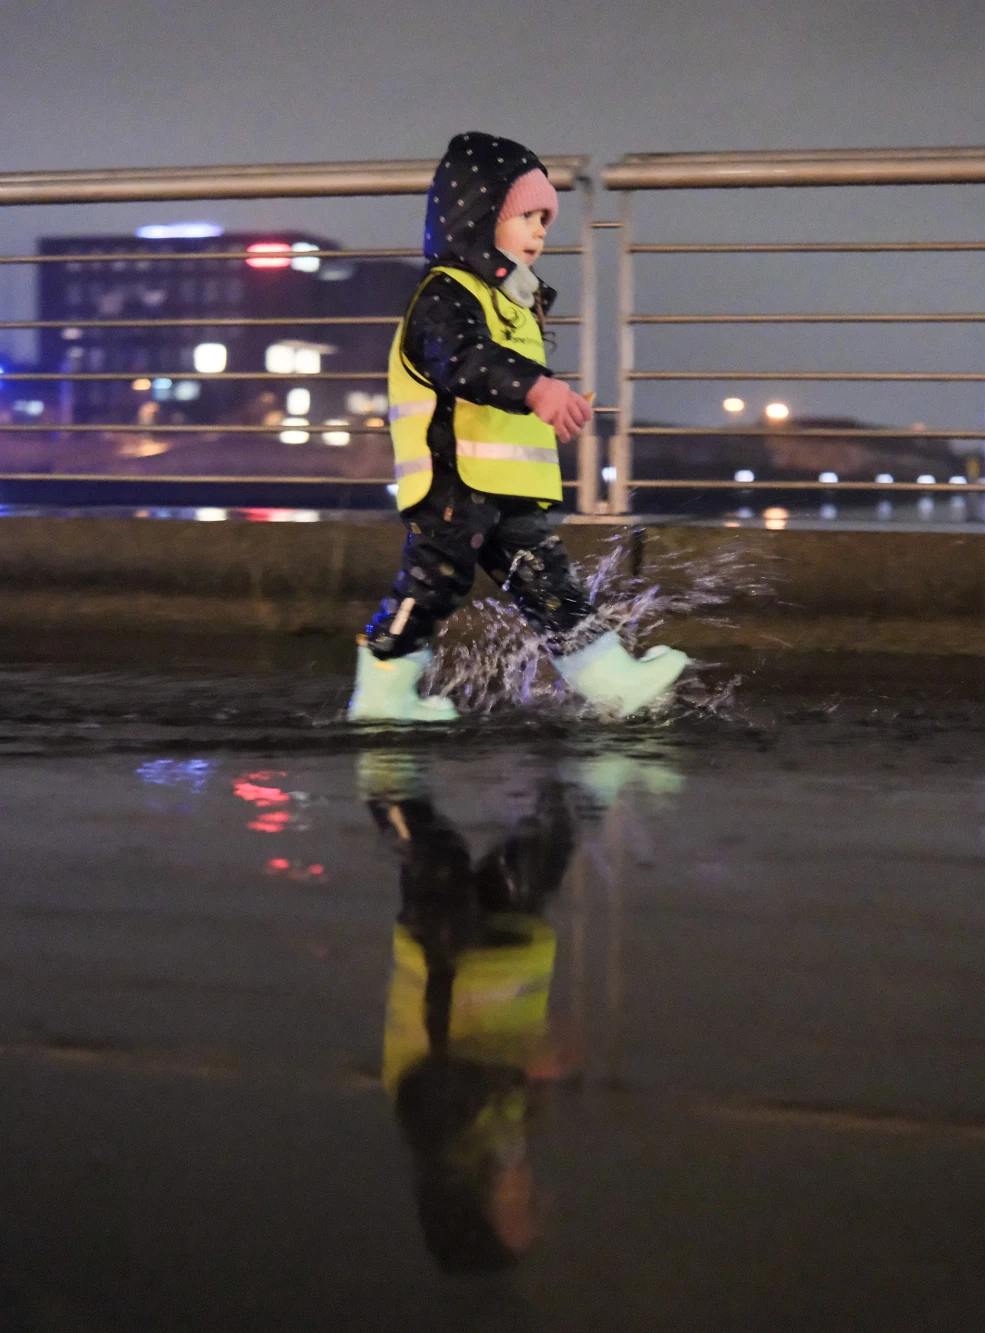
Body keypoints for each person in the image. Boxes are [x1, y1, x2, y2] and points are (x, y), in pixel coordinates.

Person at [348, 132, 689, 723]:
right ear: (479, 218)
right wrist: (537, 388)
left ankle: (611, 683)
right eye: (527, 216)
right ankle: (381, 692)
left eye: (545, 221)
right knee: (434, 582)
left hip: (502, 487)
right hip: (453, 480)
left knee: (548, 583)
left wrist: (547, 406)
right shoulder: (446, 294)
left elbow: (501, 389)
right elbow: (463, 363)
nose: (539, 232)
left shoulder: (504, 298)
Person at [361, 752, 578, 1273]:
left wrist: (522, 1066)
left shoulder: (434, 1138)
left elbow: (440, 1085)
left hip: (446, 950)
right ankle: (554, 731)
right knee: (545, 845)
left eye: (523, 1211)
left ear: (475, 1207)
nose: (542, 1200)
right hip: (508, 941)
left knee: (437, 859)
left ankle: (384, 755)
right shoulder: (505, 1141)